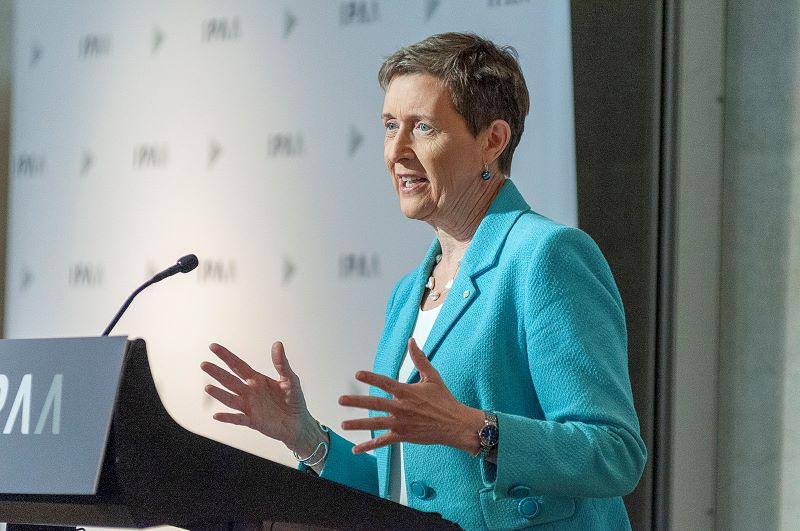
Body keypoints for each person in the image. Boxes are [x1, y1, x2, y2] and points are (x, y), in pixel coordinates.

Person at [201, 32, 647, 530]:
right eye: (390, 126)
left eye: (423, 127)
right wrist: (305, 435)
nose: (397, 151)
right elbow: (404, 492)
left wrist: (475, 429)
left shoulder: (545, 257)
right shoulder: (409, 292)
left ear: (492, 141)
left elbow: (615, 452)